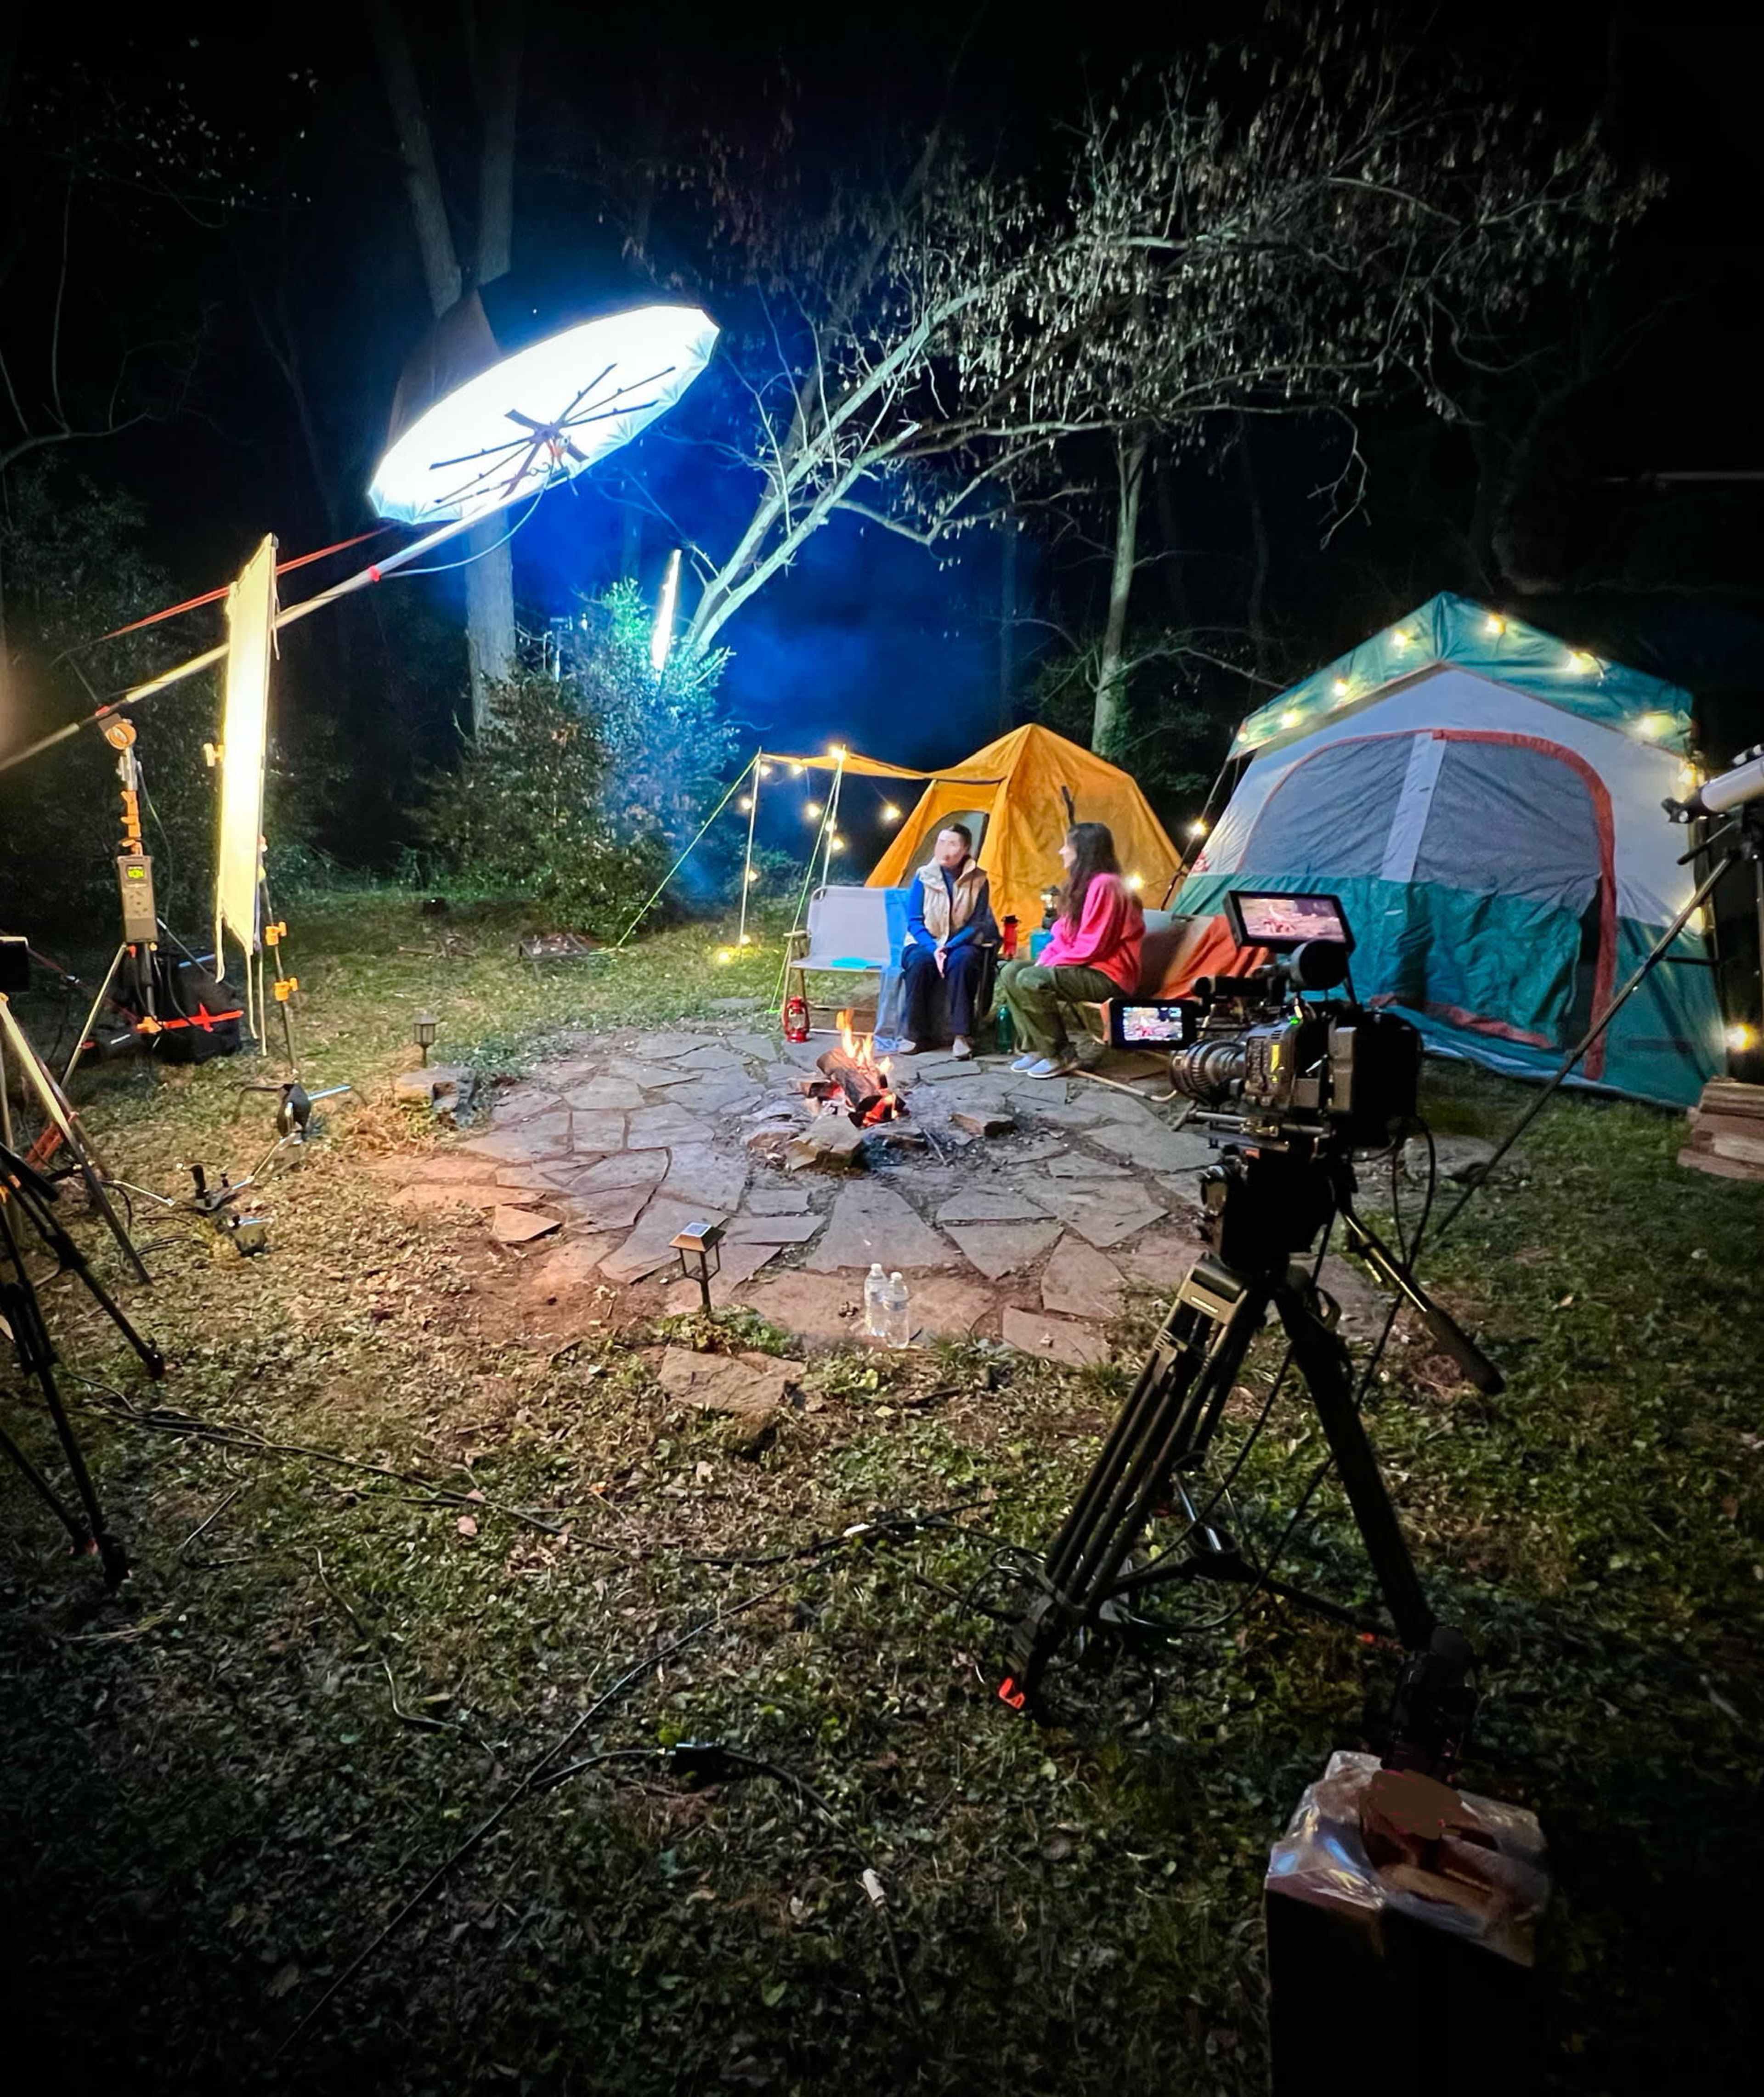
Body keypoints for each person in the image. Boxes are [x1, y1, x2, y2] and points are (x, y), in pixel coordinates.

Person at [995, 820, 1143, 1078]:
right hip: (1083, 968)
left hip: (1108, 975)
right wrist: (1047, 958)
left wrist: (1052, 964)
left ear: (1083, 850)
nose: (1061, 851)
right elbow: (1063, 934)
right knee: (1011, 971)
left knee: (1031, 978)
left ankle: (1061, 1054)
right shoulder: (1082, 885)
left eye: (1067, 846)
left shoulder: (1107, 885)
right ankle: (1039, 1048)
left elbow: (1095, 944)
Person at [896, 822, 997, 1059]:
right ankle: (915, 1035)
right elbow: (914, 921)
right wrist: (934, 949)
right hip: (924, 941)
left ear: (966, 849)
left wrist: (949, 947)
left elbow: (976, 923)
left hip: (960, 942)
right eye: (941, 843)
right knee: (919, 964)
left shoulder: (979, 880)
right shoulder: (923, 876)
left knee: (964, 962)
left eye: (952, 844)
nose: (945, 849)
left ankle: (961, 1036)